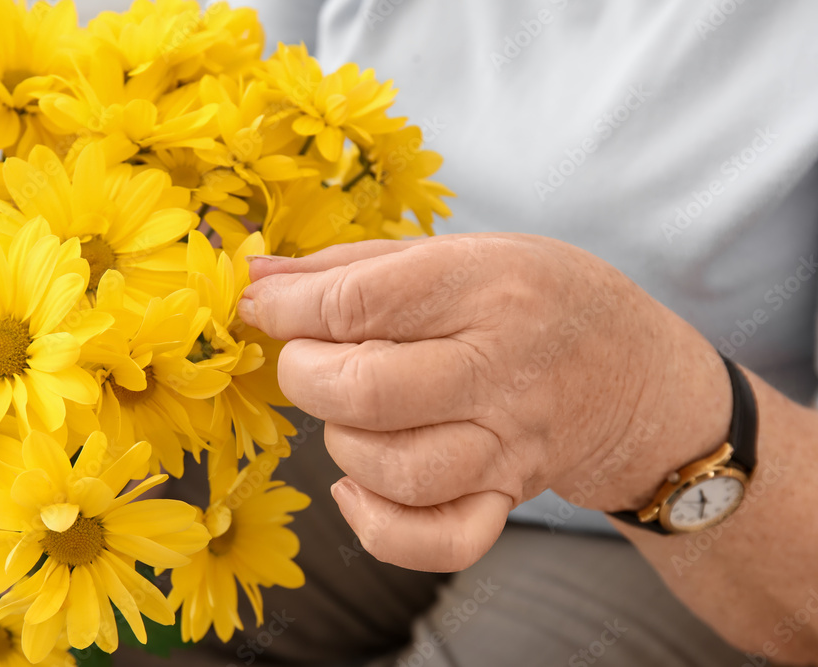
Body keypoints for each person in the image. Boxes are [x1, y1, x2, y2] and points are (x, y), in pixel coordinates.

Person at [114, 1, 818, 665]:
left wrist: (631, 411)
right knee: (120, 602)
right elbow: (226, 83)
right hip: (330, 406)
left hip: (660, 528)